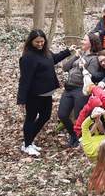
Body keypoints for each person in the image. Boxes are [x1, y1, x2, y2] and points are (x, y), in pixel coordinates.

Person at [17, 29, 72, 157]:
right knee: (30, 118)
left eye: (42, 41)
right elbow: (25, 79)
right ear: (31, 42)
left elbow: (54, 59)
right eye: (37, 42)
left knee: (45, 116)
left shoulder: (45, 52)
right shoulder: (27, 57)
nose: (40, 44)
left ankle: (28, 141)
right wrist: (22, 98)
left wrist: (68, 51)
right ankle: (27, 145)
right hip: (34, 94)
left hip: (47, 92)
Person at [58, 33, 103, 147]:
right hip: (68, 88)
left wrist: (84, 66)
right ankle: (73, 135)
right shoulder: (80, 54)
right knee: (62, 114)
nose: (82, 42)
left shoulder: (94, 58)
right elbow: (65, 67)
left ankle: (80, 139)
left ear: (91, 43)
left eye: (84, 40)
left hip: (80, 90)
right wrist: (76, 56)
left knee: (79, 117)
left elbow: (92, 75)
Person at [81, 107, 105, 194]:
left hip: (92, 137)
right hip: (99, 133)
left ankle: (100, 181)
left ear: (100, 148)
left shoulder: (91, 150)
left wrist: (92, 117)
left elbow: (84, 127)